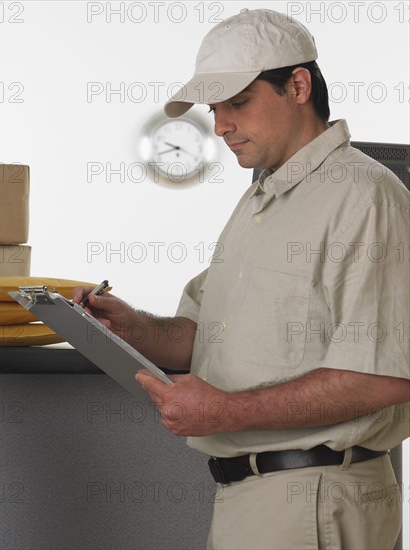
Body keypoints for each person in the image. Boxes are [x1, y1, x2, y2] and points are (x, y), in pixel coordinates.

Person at [74, 8, 410, 549]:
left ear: (298, 85)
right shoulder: (262, 200)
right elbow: (209, 337)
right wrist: (135, 328)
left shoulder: (363, 195)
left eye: (239, 102)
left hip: (315, 500)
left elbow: (386, 376)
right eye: (215, 109)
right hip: (259, 500)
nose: (222, 125)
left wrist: (227, 411)